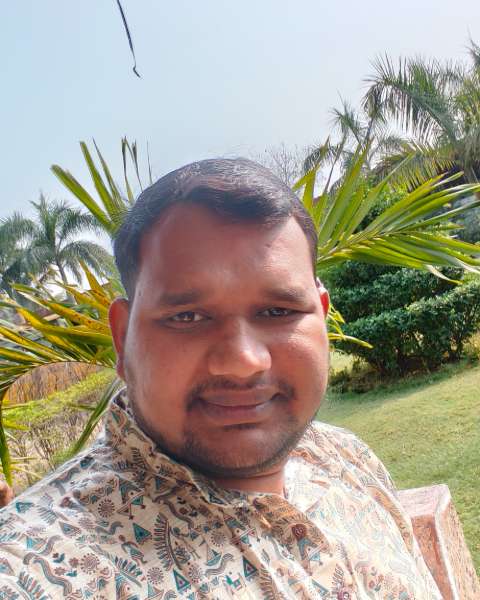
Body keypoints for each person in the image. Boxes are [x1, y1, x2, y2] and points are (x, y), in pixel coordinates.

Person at [0, 159, 441, 599]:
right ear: (123, 338)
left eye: (278, 311)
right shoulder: (33, 566)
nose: (243, 361)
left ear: (321, 316)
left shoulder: (346, 458)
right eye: (187, 317)